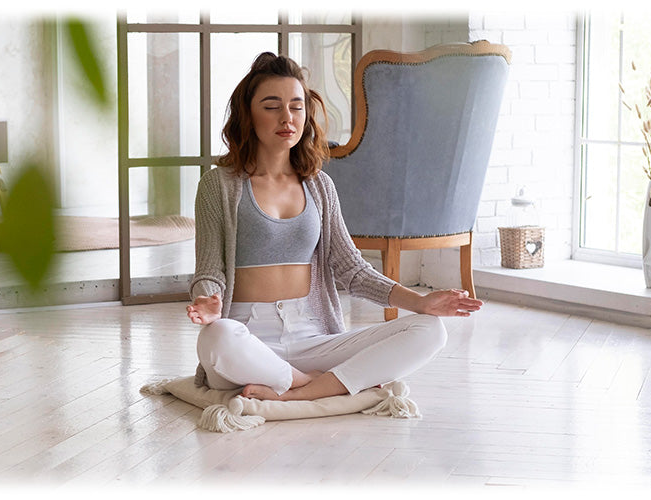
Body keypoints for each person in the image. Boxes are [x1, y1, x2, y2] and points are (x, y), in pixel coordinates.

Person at [186, 52, 483, 402]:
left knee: (430, 329)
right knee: (216, 339)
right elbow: (209, 271)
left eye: (296, 107)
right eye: (271, 106)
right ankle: (307, 381)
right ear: (247, 115)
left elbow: (352, 270)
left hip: (311, 335)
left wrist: (420, 302)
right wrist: (207, 301)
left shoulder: (320, 186)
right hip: (246, 339)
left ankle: (300, 391)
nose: (287, 117)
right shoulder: (218, 185)